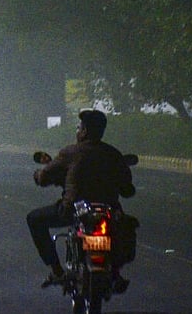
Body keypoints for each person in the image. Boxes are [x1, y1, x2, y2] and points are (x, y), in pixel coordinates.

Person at [26, 109, 136, 289]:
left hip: (73, 210)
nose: (77, 131)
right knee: (122, 227)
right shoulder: (113, 154)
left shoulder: (71, 152)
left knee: (34, 219)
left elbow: (45, 177)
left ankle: (57, 270)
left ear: (84, 131)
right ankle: (115, 272)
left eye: (79, 128)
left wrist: (38, 175)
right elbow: (127, 189)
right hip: (108, 211)